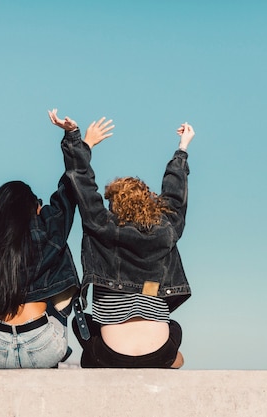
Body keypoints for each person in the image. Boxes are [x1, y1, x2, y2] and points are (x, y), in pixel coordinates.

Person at [48, 109, 195, 368]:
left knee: (86, 330)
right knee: (175, 330)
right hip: (158, 350)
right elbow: (175, 195)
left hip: (111, 352)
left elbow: (82, 182)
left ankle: (112, 356)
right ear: (151, 202)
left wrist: (74, 138)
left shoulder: (100, 224)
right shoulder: (167, 228)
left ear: (113, 203)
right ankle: (166, 357)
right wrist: (181, 149)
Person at [0, 130, 79, 368]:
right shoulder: (46, 229)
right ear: (32, 207)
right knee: (56, 256)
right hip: (43, 346)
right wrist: (77, 144)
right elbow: (67, 195)